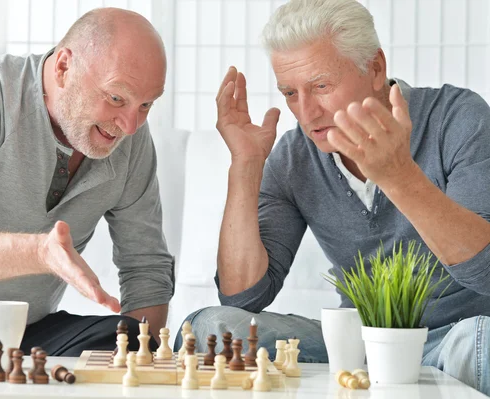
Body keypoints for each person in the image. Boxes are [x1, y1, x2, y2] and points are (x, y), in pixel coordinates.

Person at [179, 0, 490, 394]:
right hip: (357, 346)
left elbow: (486, 272)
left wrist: (397, 176)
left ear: (375, 68)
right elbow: (243, 296)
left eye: (321, 86)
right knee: (213, 326)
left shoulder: (458, 117)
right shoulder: (295, 156)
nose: (306, 112)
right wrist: (245, 165)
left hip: (459, 340)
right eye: (290, 92)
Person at [0, 8, 174, 355]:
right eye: (116, 98)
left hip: (22, 336)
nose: (130, 125)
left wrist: (140, 364)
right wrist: (40, 252)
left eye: (146, 104)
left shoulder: (132, 138)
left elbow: (146, 268)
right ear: (64, 67)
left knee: (127, 339)